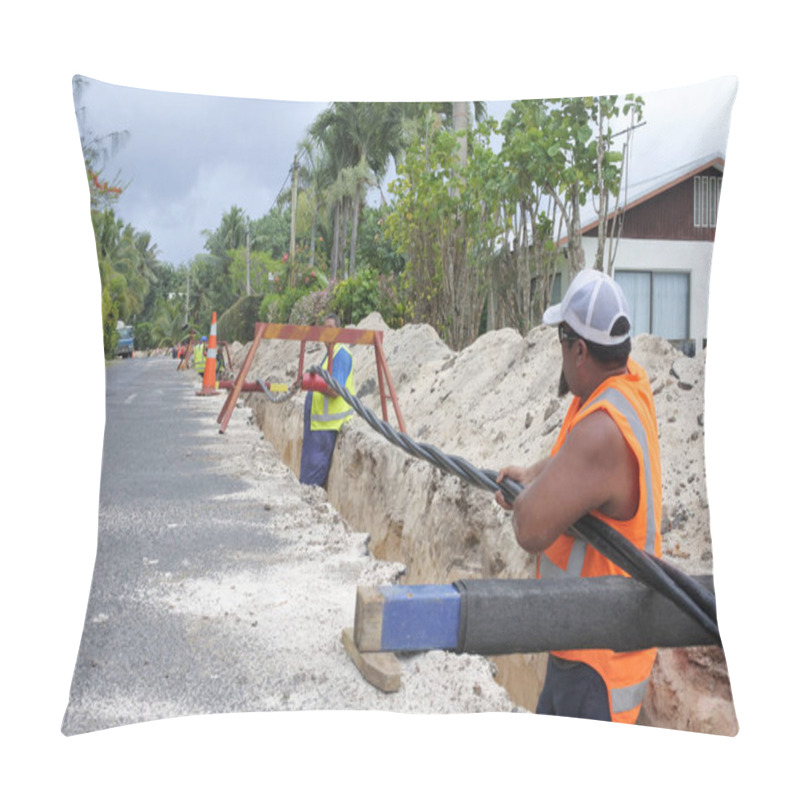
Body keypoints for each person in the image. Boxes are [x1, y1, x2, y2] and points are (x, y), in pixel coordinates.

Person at [495, 268, 662, 725]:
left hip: (597, 668)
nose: (561, 359)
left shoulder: (602, 432)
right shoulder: (624, 386)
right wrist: (533, 474)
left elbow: (530, 528)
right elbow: (574, 465)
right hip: (580, 640)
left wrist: (532, 500)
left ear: (580, 350)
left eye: (562, 346)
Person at [298, 313, 355, 487]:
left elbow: (334, 389)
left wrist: (312, 383)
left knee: (312, 480)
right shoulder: (329, 354)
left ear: (339, 330)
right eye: (324, 329)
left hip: (326, 429)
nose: (326, 333)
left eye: (330, 328)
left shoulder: (341, 354)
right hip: (317, 427)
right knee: (307, 475)